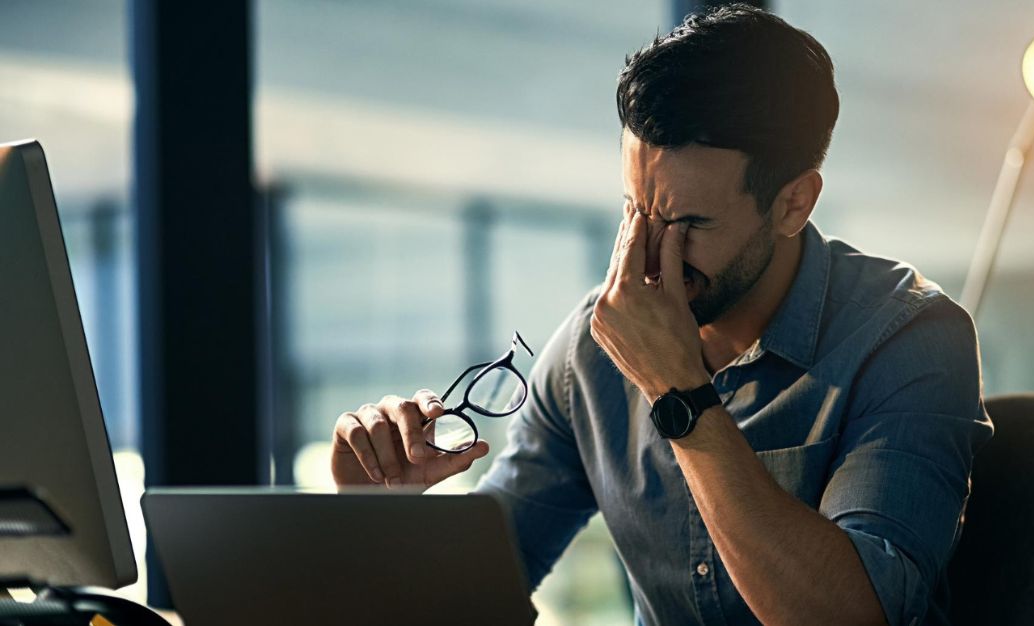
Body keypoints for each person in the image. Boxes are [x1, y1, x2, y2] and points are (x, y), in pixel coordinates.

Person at [330, 4, 993, 625]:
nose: (649, 257)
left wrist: (681, 396)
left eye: (687, 224)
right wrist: (379, 515)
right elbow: (479, 591)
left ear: (793, 204)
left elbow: (854, 615)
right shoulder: (591, 353)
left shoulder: (909, 340)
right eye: (635, 211)